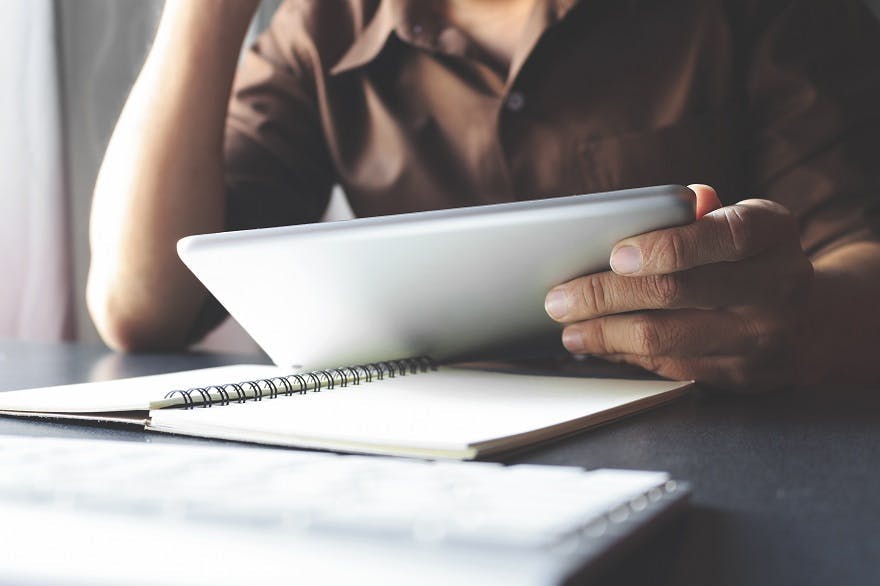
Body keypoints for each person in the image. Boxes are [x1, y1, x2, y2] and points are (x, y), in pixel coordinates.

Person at [87, 0, 880, 390]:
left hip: (715, 456)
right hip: (421, 473)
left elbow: (861, 251)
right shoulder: (326, 24)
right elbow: (143, 304)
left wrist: (794, 323)